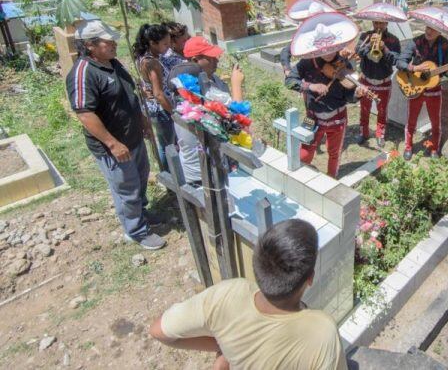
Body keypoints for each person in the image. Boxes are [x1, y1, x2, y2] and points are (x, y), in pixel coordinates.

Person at [149, 219, 347, 370]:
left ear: (257, 266)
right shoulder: (322, 333)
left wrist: (224, 347)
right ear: (310, 278)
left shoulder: (227, 294)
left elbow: (158, 331)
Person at [66, 20, 166, 250]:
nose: (113, 44)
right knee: (126, 188)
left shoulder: (112, 63)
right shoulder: (83, 73)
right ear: (90, 45)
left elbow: (128, 94)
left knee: (140, 179)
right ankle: (136, 231)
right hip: (115, 145)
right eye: (107, 41)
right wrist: (112, 143)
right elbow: (84, 113)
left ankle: (142, 213)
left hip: (133, 137)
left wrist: (142, 121)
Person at [168, 36, 245, 186]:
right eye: (211, 58)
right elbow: (236, 120)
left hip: (218, 160)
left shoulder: (214, 80)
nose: (216, 60)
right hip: (202, 171)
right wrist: (236, 85)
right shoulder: (192, 95)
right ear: (196, 60)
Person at [286, 50, 370, 178]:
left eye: (332, 49)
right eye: (325, 50)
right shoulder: (307, 62)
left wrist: (357, 95)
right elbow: (289, 81)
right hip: (312, 117)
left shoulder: (343, 63)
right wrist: (310, 86)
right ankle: (298, 177)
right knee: (305, 149)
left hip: (338, 118)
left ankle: (331, 178)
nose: (330, 54)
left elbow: (349, 95)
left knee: (334, 152)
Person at [396, 12, 448, 160]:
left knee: (435, 122)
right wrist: (414, 69)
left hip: (434, 90)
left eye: (434, 28)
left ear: (440, 30)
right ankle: (408, 147)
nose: (429, 31)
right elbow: (400, 62)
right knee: (411, 120)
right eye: (428, 27)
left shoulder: (445, 45)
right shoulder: (415, 42)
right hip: (415, 88)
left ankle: (434, 148)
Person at [133, 23, 175, 171]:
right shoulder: (152, 62)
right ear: (153, 43)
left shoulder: (142, 57)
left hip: (153, 107)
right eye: (165, 44)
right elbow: (158, 93)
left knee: (166, 144)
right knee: (168, 146)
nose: (168, 47)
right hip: (162, 109)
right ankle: (171, 178)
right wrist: (173, 112)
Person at [355, 17, 402, 148]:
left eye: (381, 23)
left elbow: (396, 60)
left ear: (386, 23)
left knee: (382, 110)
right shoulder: (365, 36)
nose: (378, 26)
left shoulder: (393, 40)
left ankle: (380, 133)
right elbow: (358, 51)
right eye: (376, 22)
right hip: (366, 80)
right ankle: (363, 133)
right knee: (364, 109)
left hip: (384, 81)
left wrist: (384, 48)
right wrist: (370, 45)